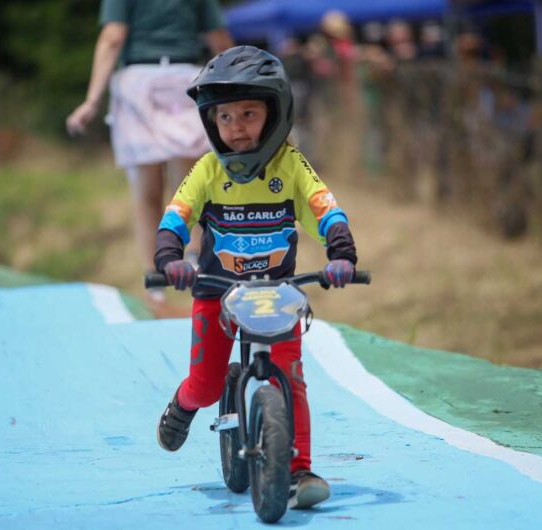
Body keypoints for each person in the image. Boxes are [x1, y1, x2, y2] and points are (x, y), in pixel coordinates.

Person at [153, 46, 359, 510]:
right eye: (225, 117)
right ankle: (184, 405)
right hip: (216, 292)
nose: (237, 126)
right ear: (211, 123)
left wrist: (341, 252)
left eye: (249, 113)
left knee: (291, 377)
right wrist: (170, 257)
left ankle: (298, 469)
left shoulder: (291, 166)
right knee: (205, 386)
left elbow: (327, 210)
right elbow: (176, 218)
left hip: (278, 296)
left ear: (276, 114)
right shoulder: (206, 170)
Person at [66, 0, 233, 304]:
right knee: (190, 186)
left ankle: (156, 279)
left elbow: (113, 37)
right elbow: (218, 39)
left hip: (138, 82)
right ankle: (196, 257)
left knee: (146, 193)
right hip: (186, 79)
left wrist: (91, 100)